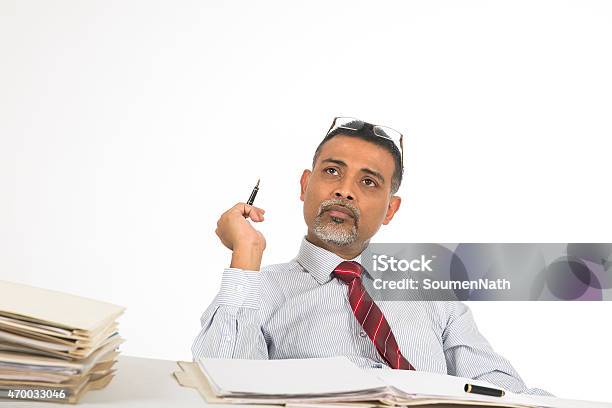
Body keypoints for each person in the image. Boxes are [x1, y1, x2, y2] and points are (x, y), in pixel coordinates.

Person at [192, 117, 551, 396]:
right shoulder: (258, 289)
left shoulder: (432, 295)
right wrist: (246, 253)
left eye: (368, 182)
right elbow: (222, 383)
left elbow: (500, 389)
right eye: (332, 171)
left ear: (390, 209)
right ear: (305, 185)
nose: (345, 191)